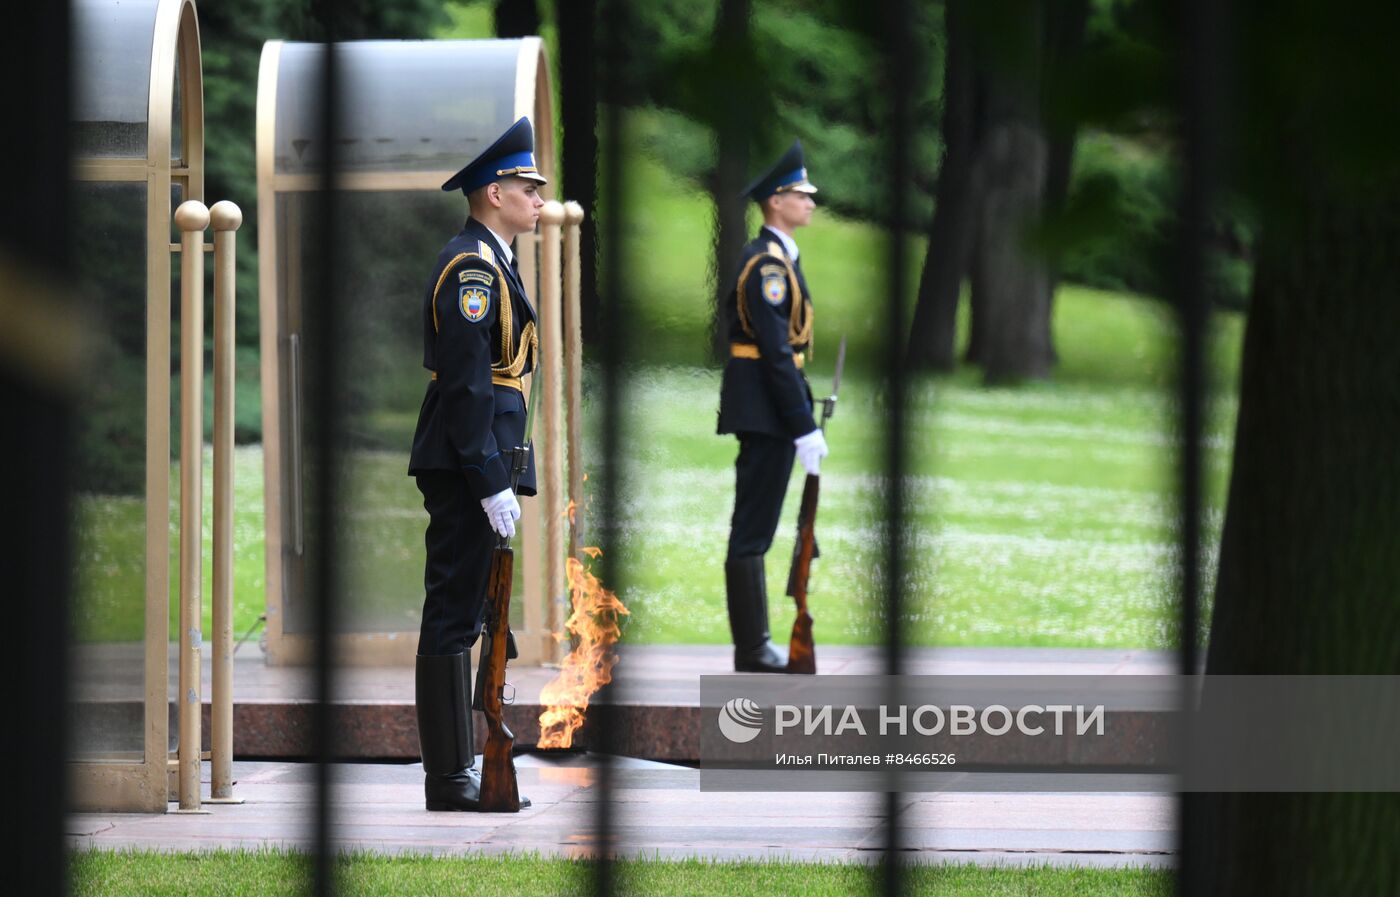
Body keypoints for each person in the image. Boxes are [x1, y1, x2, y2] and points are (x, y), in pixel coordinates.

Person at [407, 116, 544, 811]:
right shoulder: (472, 268)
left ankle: (461, 769)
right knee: (454, 611)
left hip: (482, 461)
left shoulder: (497, 262)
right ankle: (450, 777)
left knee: (470, 610)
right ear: (495, 191)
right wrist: (489, 480)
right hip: (467, 464)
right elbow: (466, 386)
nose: (539, 199)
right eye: (528, 186)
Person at [717, 140, 829, 673]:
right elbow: (776, 353)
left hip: (767, 410)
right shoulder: (768, 267)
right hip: (765, 413)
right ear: (775, 201)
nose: (810, 201)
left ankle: (756, 644)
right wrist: (803, 426)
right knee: (753, 531)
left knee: (756, 528)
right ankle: (753, 647)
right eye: (800, 194)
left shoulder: (780, 259)